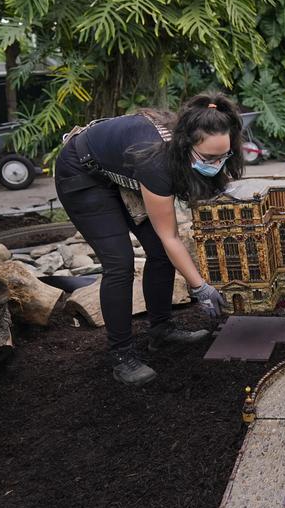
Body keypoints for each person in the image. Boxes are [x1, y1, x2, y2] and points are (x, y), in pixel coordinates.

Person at [55, 93, 240, 386]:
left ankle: (161, 329)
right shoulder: (157, 162)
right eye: (209, 158)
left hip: (117, 169)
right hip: (81, 172)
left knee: (157, 251)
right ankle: (121, 356)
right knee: (120, 263)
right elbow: (170, 236)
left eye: (224, 156)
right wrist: (200, 288)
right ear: (186, 145)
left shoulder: (191, 141)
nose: (217, 164)